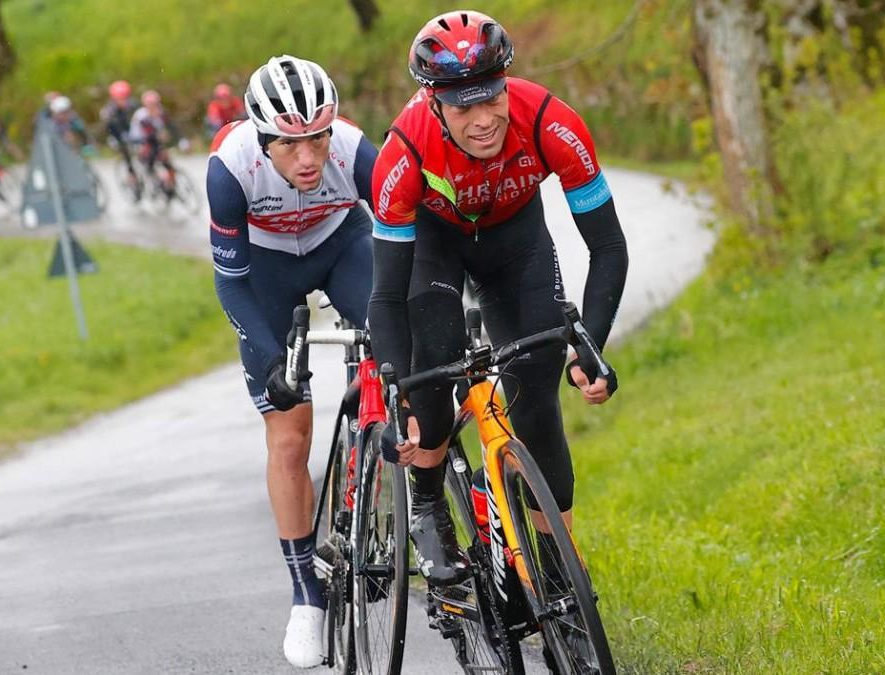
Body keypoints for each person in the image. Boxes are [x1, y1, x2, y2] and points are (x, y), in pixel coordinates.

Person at [367, 10, 628, 587]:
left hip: (517, 243)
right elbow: (386, 295)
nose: (483, 120)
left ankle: (554, 554)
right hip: (435, 249)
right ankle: (430, 505)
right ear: (434, 102)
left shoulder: (550, 122)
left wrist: (591, 346)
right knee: (431, 377)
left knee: (535, 392)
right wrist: (396, 391)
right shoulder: (404, 152)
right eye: (464, 107)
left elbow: (608, 246)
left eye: (492, 99)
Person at [207, 54, 378, 668]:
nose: (308, 159)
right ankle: (307, 596)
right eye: (290, 145)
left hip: (341, 245)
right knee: (289, 434)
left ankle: (412, 499)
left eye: (318, 139)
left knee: (401, 342)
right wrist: (276, 359)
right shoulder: (230, 168)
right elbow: (231, 285)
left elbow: (412, 237)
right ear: (262, 138)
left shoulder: (357, 151)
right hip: (267, 270)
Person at [129, 89, 182, 193]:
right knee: (149, 160)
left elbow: (171, 127)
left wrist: (179, 140)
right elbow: (142, 134)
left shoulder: (161, 112)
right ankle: (155, 182)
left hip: (155, 140)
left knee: (166, 160)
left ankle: (170, 183)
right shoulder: (140, 116)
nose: (154, 107)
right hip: (141, 140)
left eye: (156, 104)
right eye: (151, 105)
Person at [100, 80, 140, 196]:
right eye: (120, 98)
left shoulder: (134, 104)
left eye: (126, 97)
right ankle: (132, 178)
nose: (124, 101)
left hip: (132, 131)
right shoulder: (109, 110)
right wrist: (114, 139)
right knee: (126, 154)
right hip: (118, 135)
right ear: (114, 98)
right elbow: (110, 128)